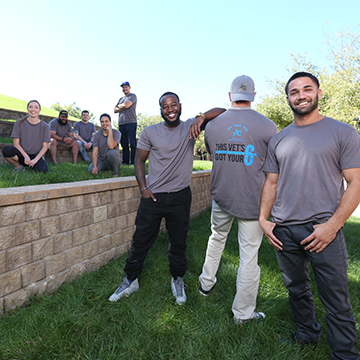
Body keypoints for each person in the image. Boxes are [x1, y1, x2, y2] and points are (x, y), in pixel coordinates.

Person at [259, 72, 360, 359]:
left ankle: (344, 354)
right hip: (284, 231)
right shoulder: (279, 139)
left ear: (318, 93)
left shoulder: (342, 132)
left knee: (336, 298)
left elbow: (356, 182)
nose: (301, 95)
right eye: (294, 91)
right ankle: (307, 333)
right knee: (296, 289)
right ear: (288, 98)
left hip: (322, 229)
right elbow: (271, 183)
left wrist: (332, 226)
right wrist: (264, 220)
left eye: (307, 89)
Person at [109, 92, 225, 305]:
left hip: (180, 196)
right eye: (165, 106)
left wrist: (201, 118)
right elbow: (138, 161)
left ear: (180, 106)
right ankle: (130, 279)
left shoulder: (191, 127)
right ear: (160, 109)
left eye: (173, 105)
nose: (170, 109)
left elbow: (222, 112)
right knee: (140, 240)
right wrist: (143, 188)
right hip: (152, 196)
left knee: (178, 242)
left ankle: (177, 278)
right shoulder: (150, 131)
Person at [198, 75, 277, 324]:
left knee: (216, 239)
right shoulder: (268, 126)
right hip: (253, 201)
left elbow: (214, 154)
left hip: (222, 195)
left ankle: (205, 285)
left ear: (230, 96)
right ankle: (242, 314)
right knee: (248, 257)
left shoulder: (212, 126)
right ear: (253, 96)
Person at [2, 100, 50, 173]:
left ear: (39, 110)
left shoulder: (45, 126)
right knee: (6, 150)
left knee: (43, 171)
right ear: (27, 109)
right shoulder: (19, 123)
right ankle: (19, 167)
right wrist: (26, 156)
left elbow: (45, 147)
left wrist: (35, 160)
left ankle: (33, 164)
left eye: (36, 107)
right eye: (30, 107)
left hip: (36, 156)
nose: (33, 109)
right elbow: (16, 144)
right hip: (22, 154)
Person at [114, 81, 137, 165]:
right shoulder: (121, 99)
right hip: (121, 124)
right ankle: (125, 161)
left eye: (126, 87)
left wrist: (120, 106)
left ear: (129, 87)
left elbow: (126, 105)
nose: (124, 88)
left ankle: (134, 162)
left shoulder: (133, 96)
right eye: (123, 87)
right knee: (124, 144)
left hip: (131, 122)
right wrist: (122, 106)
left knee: (132, 143)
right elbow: (114, 110)